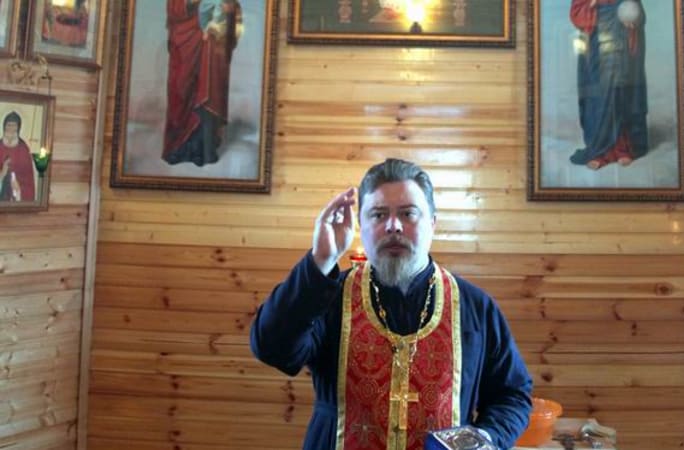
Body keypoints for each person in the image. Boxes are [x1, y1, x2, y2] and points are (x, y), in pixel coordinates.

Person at [250, 158, 532, 449]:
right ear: (361, 225)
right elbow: (271, 348)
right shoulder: (328, 295)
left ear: (432, 224)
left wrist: (485, 439)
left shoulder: (475, 307)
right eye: (378, 214)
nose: (393, 226)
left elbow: (512, 395)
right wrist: (320, 260)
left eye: (408, 214)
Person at [568, 0, 649, 170]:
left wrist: (632, 18)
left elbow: (636, 9)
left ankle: (622, 148)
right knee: (599, 94)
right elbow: (577, 11)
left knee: (619, 91)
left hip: (620, 33)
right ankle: (599, 151)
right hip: (596, 37)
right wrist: (592, 3)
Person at [163, 0, 241, 166]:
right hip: (185, 40)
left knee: (209, 90)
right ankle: (179, 147)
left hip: (212, 42)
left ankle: (205, 149)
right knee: (182, 89)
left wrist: (230, 10)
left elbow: (230, 5)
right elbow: (174, 7)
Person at [0, 111, 35, 202]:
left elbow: (29, 180)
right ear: (4, 127)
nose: (11, 129)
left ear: (18, 128)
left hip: (17, 197)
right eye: (9, 125)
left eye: (14, 126)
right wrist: (2, 174)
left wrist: (19, 189)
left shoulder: (23, 149)